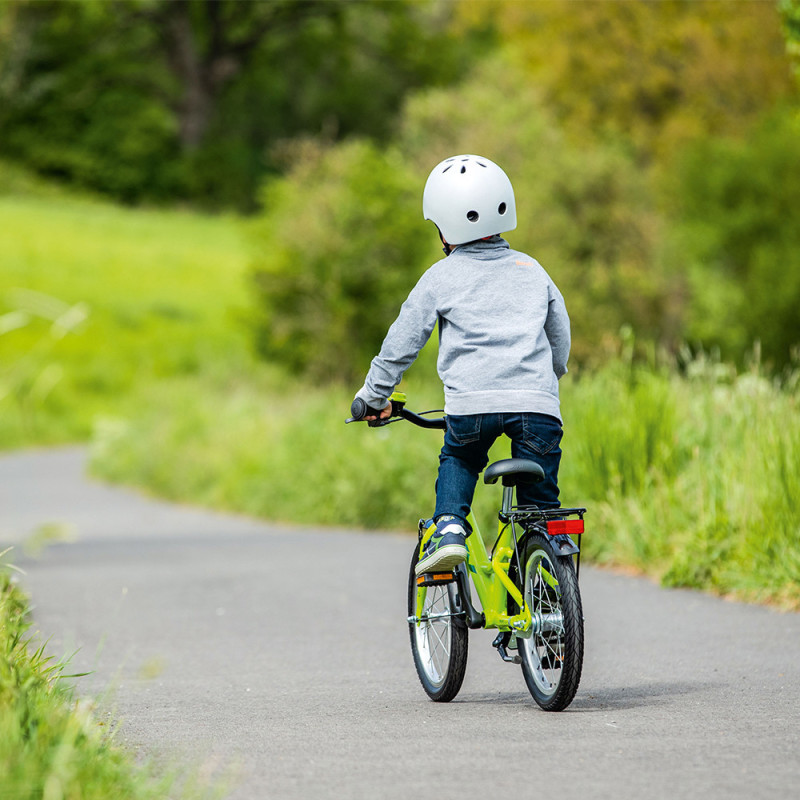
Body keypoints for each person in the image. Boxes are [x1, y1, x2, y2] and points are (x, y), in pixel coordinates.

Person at [354, 154, 570, 575]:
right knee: (540, 510)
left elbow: (401, 344)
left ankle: (450, 528)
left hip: (472, 408)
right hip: (538, 407)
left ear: (444, 225)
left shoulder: (440, 276)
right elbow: (559, 336)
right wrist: (547, 379)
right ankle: (546, 582)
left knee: (460, 457)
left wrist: (373, 395)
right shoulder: (532, 269)